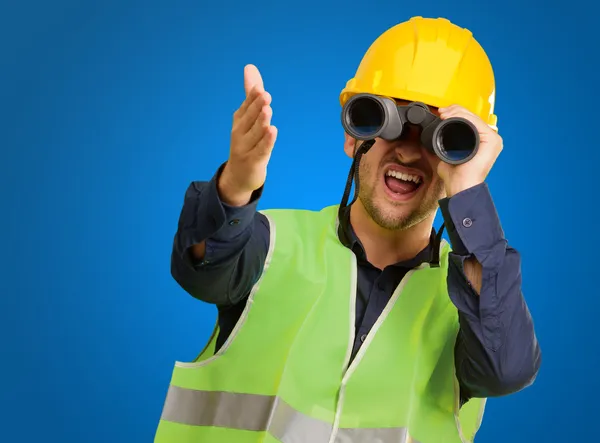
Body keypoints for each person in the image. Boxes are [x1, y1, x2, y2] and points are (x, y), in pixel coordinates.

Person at [155, 16, 541, 443]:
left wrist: (469, 194)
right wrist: (236, 185)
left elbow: (506, 369)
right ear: (353, 133)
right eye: (387, 119)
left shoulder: (469, 302)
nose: (409, 153)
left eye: (439, 137)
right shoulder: (272, 246)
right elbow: (202, 267)